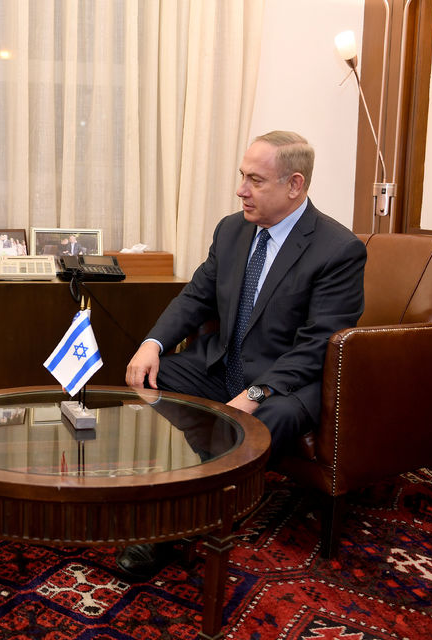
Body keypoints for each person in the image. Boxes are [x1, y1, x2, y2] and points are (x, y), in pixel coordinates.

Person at [119, 130, 367, 580]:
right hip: (221, 363)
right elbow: (196, 297)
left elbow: (318, 343)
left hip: (291, 381)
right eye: (241, 176)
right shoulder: (232, 229)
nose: (241, 190)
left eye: (255, 180)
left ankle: (175, 527)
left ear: (294, 185)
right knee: (151, 379)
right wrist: (151, 344)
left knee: (263, 419)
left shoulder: (338, 249)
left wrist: (255, 393)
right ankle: (155, 484)